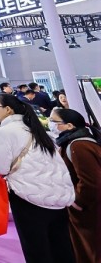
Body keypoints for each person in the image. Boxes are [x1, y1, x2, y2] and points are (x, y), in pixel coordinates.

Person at [0, 94, 75, 263]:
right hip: (58, 196)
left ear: (8, 109)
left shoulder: (5, 131)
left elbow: (0, 167)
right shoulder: (34, 127)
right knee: (62, 247)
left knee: (37, 250)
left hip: (28, 196)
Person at [50, 108, 101, 263]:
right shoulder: (74, 143)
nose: (51, 125)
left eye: (54, 121)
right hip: (88, 210)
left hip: (89, 211)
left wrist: (77, 201)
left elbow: (91, 182)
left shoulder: (78, 146)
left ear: (69, 125)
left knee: (92, 249)